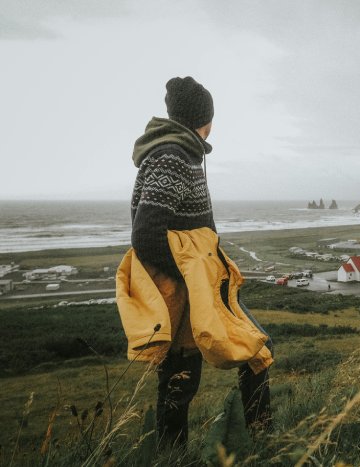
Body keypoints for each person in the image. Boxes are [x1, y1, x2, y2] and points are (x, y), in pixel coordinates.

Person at [129, 76, 271, 448]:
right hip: (186, 289)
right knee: (195, 373)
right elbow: (145, 233)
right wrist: (190, 281)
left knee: (242, 355)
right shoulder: (173, 156)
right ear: (203, 118)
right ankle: (260, 441)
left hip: (195, 286)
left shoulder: (178, 152)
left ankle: (245, 441)